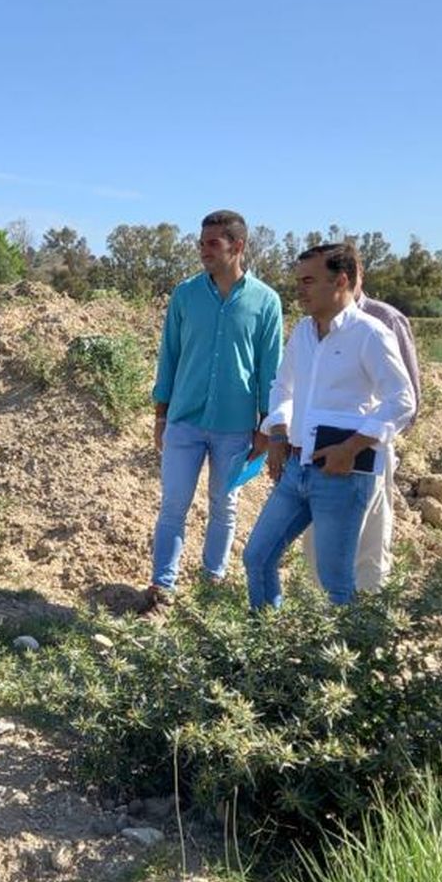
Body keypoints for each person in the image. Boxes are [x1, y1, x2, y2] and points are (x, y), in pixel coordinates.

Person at [243, 242, 414, 609]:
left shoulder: (370, 333)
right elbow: (281, 386)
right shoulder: (302, 333)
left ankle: (341, 663)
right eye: (299, 280)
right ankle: (265, 649)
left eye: (309, 280)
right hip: (296, 469)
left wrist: (350, 447)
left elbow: (402, 401)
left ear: (340, 281)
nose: (299, 289)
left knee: (336, 582)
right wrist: (277, 433)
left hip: (343, 473)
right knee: (257, 557)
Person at [146, 210, 284, 611]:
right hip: (184, 420)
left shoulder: (266, 302)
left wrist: (266, 425)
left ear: (237, 246)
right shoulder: (185, 295)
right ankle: (162, 587)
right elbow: (168, 356)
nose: (202, 250)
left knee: (224, 505)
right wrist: (161, 414)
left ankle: (213, 581)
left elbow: (270, 368)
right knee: (174, 504)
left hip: (236, 426)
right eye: (201, 242)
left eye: (212, 243)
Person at [300, 265, 422, 592]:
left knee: (368, 547)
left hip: (367, 456)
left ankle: (364, 629)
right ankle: (322, 625)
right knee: (317, 544)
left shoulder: (385, 321)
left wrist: (363, 444)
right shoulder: (311, 326)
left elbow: (407, 400)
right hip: (320, 455)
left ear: (350, 276)